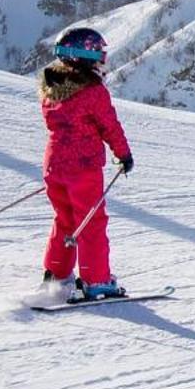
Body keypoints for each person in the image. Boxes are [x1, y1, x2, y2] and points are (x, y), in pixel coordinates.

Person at [39, 27, 135, 302]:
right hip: (82, 167)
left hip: (54, 165)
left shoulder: (52, 89)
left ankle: (56, 275)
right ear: (83, 57)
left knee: (65, 219)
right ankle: (97, 281)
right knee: (90, 222)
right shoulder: (93, 92)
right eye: (98, 56)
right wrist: (124, 155)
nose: (102, 63)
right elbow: (109, 126)